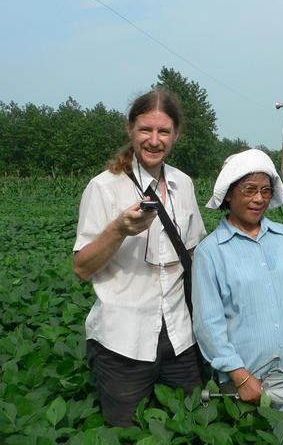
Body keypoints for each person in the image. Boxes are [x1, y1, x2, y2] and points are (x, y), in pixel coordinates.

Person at [73, 89, 207, 427]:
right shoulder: (105, 187)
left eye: (163, 131)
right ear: (131, 130)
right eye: (146, 129)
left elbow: (194, 253)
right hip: (124, 342)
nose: (154, 140)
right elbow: (82, 268)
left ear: (176, 135)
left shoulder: (183, 184)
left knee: (189, 425)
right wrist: (119, 228)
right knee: (127, 431)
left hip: (180, 336)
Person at [192, 149, 283, 416]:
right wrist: (241, 377)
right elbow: (208, 325)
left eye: (265, 191)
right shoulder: (210, 251)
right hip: (247, 385)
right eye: (249, 189)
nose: (258, 198)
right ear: (229, 194)